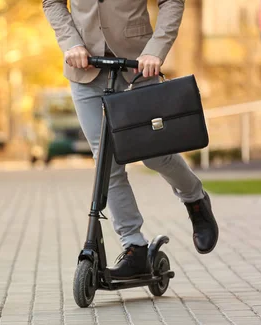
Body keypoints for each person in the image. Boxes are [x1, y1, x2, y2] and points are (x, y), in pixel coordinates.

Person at [43, 0, 219, 280]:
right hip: (85, 66)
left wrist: (155, 50)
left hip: (139, 65)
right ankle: (134, 246)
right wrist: (70, 43)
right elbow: (52, 2)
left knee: (155, 154)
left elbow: (171, 2)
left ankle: (194, 199)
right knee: (106, 161)